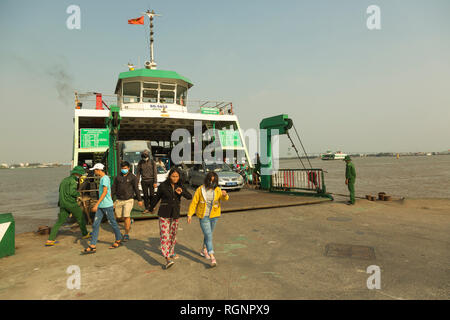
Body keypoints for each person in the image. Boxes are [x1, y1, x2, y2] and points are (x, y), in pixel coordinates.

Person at [149, 168, 192, 269]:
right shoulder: (163, 185)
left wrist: (181, 192)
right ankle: (167, 258)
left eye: (177, 176)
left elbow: (189, 196)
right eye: (173, 176)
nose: (175, 178)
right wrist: (151, 207)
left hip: (175, 214)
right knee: (165, 236)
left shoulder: (180, 185)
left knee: (173, 235)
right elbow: (156, 197)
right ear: (169, 176)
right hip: (164, 214)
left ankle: (171, 252)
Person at [187, 172, 229, 268]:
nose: (211, 182)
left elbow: (224, 199)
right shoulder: (200, 189)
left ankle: (204, 250)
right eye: (210, 180)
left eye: (213, 181)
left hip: (214, 215)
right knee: (209, 235)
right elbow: (194, 202)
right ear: (206, 179)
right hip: (203, 216)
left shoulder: (217, 190)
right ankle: (212, 257)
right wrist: (190, 214)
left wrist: (225, 195)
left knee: (208, 234)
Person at [82, 163, 123, 254]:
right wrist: (98, 205)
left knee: (112, 223)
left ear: (98, 170)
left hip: (107, 205)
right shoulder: (101, 179)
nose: (94, 172)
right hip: (101, 206)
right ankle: (93, 245)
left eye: (95, 170)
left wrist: (96, 204)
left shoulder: (105, 179)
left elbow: (104, 192)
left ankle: (118, 239)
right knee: (95, 224)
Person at [45, 166, 91, 246]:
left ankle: (50, 240)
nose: (80, 176)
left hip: (62, 204)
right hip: (71, 204)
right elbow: (72, 192)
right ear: (77, 174)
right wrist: (78, 194)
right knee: (81, 218)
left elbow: (61, 191)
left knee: (59, 222)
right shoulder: (73, 181)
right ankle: (85, 234)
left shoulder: (64, 180)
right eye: (80, 175)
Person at [112, 161, 144, 241]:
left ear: (128, 168)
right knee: (118, 217)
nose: (124, 170)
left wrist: (139, 200)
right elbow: (113, 188)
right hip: (119, 200)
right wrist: (110, 198)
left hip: (129, 199)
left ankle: (126, 234)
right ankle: (130, 220)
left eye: (125, 168)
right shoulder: (117, 177)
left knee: (126, 216)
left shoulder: (133, 177)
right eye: (122, 168)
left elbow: (136, 189)